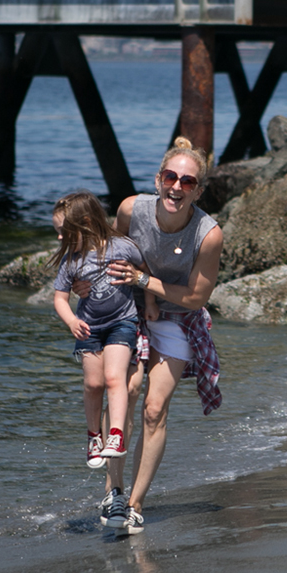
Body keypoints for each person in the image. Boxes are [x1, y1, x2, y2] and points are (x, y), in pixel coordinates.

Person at [103, 137, 224, 535]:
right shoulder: (130, 210)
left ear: (198, 191)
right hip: (131, 310)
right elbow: (109, 254)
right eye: (171, 177)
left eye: (187, 182)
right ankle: (114, 492)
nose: (177, 187)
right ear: (158, 180)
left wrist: (146, 282)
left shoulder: (207, 234)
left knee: (155, 409)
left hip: (180, 317)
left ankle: (136, 504)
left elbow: (195, 297)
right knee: (128, 390)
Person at [50, 192, 153, 525]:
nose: (60, 238)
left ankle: (116, 435)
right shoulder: (72, 261)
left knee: (115, 380)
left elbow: (144, 269)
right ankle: (94, 436)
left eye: (65, 232)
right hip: (90, 328)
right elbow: (60, 297)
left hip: (124, 323)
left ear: (86, 223)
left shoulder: (121, 247)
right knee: (93, 383)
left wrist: (149, 301)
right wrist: (70, 321)